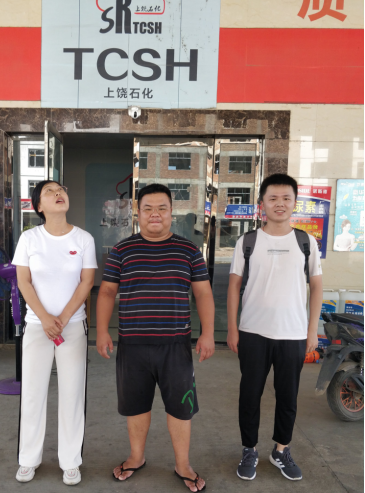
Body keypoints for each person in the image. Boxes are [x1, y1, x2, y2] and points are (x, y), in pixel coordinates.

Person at [96, 183, 215, 492]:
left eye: (162, 208)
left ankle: (182, 464)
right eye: (148, 208)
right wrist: (102, 331)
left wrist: (208, 334)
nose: (155, 214)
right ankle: (136, 457)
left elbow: (203, 293)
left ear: (171, 212)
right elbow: (107, 292)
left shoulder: (189, 251)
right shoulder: (122, 250)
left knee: (180, 407)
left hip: (176, 346)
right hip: (132, 345)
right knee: (136, 405)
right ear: (138, 213)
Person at [227, 174, 322, 482]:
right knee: (249, 395)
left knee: (288, 397)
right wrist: (232, 329)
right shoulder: (248, 242)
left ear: (295, 203)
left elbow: (317, 287)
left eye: (286, 198)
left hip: (293, 334)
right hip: (253, 332)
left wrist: (311, 330)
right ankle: (249, 449)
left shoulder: (306, 242)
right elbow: (233, 287)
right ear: (262, 204)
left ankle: (281, 450)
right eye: (273, 198)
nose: (279, 204)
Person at [12, 180, 97, 486]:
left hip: (72, 327)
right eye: (49, 191)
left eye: (61, 189)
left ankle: (70, 461)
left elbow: (87, 282)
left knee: (73, 394)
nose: (58, 193)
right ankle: (28, 459)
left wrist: (61, 318)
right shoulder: (29, 238)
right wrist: (45, 318)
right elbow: (23, 281)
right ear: (39, 206)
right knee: (33, 393)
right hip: (37, 326)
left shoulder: (84, 239)